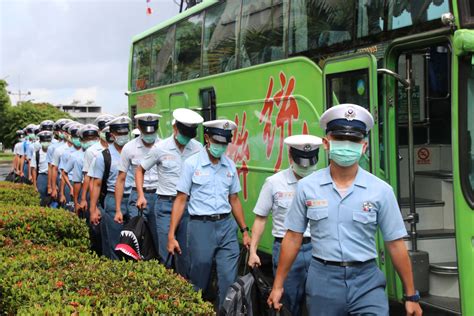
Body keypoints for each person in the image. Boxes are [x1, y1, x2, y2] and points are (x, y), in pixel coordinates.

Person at [268, 104, 423, 316]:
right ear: (326, 143)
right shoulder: (307, 187)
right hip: (323, 281)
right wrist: (278, 286)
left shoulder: (381, 191)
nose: (347, 145)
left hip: (367, 281)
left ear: (364, 147)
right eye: (340, 139)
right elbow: (293, 237)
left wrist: (411, 295)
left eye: (354, 140)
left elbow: (395, 244)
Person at [167, 119, 251, 308]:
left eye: (224, 143)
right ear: (207, 138)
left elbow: (234, 199)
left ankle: (224, 311)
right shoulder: (191, 164)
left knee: (229, 279)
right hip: (200, 227)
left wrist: (245, 230)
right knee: (199, 277)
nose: (221, 147)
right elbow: (180, 199)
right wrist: (171, 235)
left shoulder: (229, 166)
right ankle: (194, 309)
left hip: (226, 227)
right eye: (217, 142)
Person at [248, 134, 322, 316]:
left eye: (309, 162)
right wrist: (253, 251)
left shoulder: (322, 182)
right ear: (290, 156)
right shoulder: (274, 183)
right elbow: (260, 218)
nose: (305, 167)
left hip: (318, 249)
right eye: (301, 162)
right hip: (285, 250)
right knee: (287, 303)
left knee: (320, 304)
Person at [138, 108, 203, 274]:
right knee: (167, 251)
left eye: (190, 135)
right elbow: (140, 169)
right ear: (175, 129)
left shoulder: (197, 148)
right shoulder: (160, 148)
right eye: (184, 134)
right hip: (166, 205)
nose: (186, 139)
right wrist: (140, 195)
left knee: (186, 252)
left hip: (189, 206)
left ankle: (185, 290)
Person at [89, 116, 132, 259]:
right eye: (120, 134)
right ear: (112, 135)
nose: (123, 137)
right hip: (112, 200)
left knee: (133, 241)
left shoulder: (133, 152)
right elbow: (96, 183)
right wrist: (93, 209)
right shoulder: (104, 156)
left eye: (125, 133)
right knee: (114, 243)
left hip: (132, 198)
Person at [115, 113, 160, 248]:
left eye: (152, 130)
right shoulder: (129, 148)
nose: (149, 134)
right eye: (146, 131)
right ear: (139, 128)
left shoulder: (164, 146)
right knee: (136, 237)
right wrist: (118, 209)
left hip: (159, 196)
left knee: (159, 239)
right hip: (137, 197)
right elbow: (121, 179)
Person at [78, 114, 115, 214]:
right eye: (104, 130)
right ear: (99, 132)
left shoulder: (119, 149)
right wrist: (86, 199)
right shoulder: (91, 151)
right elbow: (88, 177)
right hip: (98, 192)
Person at [68, 124, 99, 216]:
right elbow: (77, 181)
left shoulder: (104, 154)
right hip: (88, 192)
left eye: (93, 138)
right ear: (81, 140)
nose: (90, 141)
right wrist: (78, 201)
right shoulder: (79, 159)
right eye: (87, 139)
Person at [59, 123, 83, 211]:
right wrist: (62, 193)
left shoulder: (87, 152)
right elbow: (63, 174)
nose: (77, 140)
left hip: (83, 184)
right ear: (71, 138)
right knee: (71, 209)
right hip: (70, 183)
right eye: (75, 137)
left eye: (78, 137)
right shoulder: (66, 153)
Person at [31, 131, 53, 205]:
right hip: (42, 177)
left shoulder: (54, 152)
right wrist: (34, 185)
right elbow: (34, 169)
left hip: (53, 176)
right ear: (40, 142)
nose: (46, 143)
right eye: (44, 141)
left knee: (54, 198)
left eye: (47, 141)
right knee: (41, 198)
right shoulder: (36, 154)